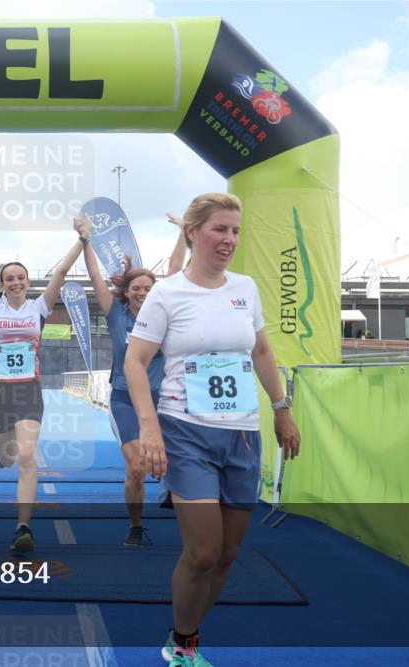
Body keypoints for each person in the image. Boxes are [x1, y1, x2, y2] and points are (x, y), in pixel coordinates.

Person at [124, 193, 301, 667]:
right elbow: (135, 361)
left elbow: (261, 352)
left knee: (227, 554)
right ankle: (183, 645)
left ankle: (185, 631)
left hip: (242, 433)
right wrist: (150, 429)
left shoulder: (245, 287)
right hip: (186, 431)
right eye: (219, 229)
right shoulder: (166, 293)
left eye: (235, 231)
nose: (229, 240)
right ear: (193, 232)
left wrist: (281, 408)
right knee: (202, 552)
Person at [0, 212, 86, 552]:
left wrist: (82, 239)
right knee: (8, 456)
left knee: (26, 457)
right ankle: (0, 450)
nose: (16, 282)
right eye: (9, 278)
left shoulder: (39, 307)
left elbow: (61, 273)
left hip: (28, 390)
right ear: (3, 284)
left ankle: (23, 527)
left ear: (27, 282)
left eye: (20, 277)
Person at [78, 213, 187, 547]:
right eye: (136, 288)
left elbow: (176, 269)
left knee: (181, 464)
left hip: (166, 401)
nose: (143, 292)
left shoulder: (165, 311)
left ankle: (183, 509)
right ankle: (136, 525)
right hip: (125, 399)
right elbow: (95, 275)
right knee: (138, 467)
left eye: (148, 288)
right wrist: (85, 240)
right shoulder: (116, 314)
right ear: (126, 292)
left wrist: (184, 231)